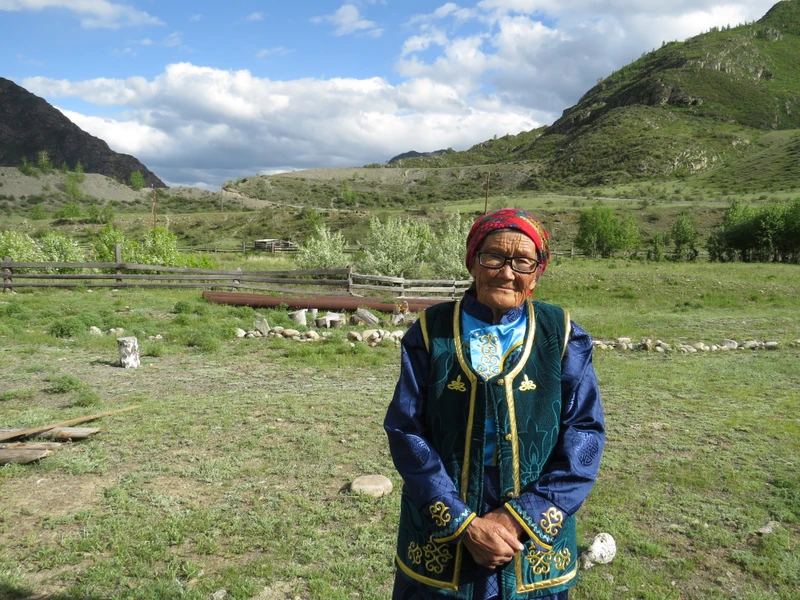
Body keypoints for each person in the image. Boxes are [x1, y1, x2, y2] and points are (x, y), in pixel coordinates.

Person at [384, 208, 605, 600]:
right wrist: (463, 523)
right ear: (472, 261)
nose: (506, 272)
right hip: (446, 506)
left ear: (537, 273)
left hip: (534, 516)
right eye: (494, 257)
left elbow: (584, 433)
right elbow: (407, 430)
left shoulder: (563, 334)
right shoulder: (431, 330)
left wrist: (519, 517)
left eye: (522, 261)